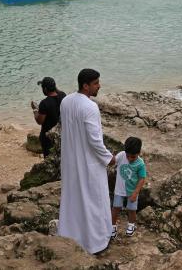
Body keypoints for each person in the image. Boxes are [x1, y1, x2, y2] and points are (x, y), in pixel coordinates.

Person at [57, 68, 114, 254]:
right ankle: (96, 242)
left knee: (73, 200)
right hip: (89, 164)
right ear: (85, 85)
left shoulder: (66, 101)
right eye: (96, 83)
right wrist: (108, 158)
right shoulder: (90, 107)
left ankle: (71, 237)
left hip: (70, 160)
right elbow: (95, 140)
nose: (99, 86)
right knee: (94, 201)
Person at [109, 136, 148, 238]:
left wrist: (135, 193)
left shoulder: (140, 164)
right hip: (119, 190)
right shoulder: (121, 155)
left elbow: (142, 178)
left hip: (132, 191)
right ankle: (112, 226)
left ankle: (131, 225)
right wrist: (109, 156)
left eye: (133, 157)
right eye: (128, 156)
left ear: (138, 153)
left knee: (132, 209)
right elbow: (112, 162)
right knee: (115, 208)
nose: (130, 159)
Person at [32, 77, 66, 157]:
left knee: (49, 158)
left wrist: (35, 110)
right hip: (61, 133)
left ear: (45, 89)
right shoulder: (63, 96)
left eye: (42, 88)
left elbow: (40, 121)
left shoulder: (44, 103)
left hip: (48, 137)